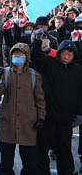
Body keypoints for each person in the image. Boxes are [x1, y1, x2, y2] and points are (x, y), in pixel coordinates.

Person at [32, 28, 82, 174]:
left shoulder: (77, 70)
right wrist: (37, 40)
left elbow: (80, 94)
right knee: (42, 149)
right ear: (59, 53)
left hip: (66, 120)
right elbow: (35, 56)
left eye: (69, 54)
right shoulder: (50, 63)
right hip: (48, 117)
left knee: (65, 151)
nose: (66, 56)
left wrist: (79, 113)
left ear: (73, 55)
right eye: (63, 53)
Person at [0, 43, 45, 174]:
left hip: (28, 124)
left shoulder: (34, 76)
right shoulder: (6, 72)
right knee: (6, 163)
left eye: (21, 54)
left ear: (27, 57)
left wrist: (41, 117)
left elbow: (40, 99)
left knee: (29, 164)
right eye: (15, 54)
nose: (18, 57)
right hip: (8, 123)